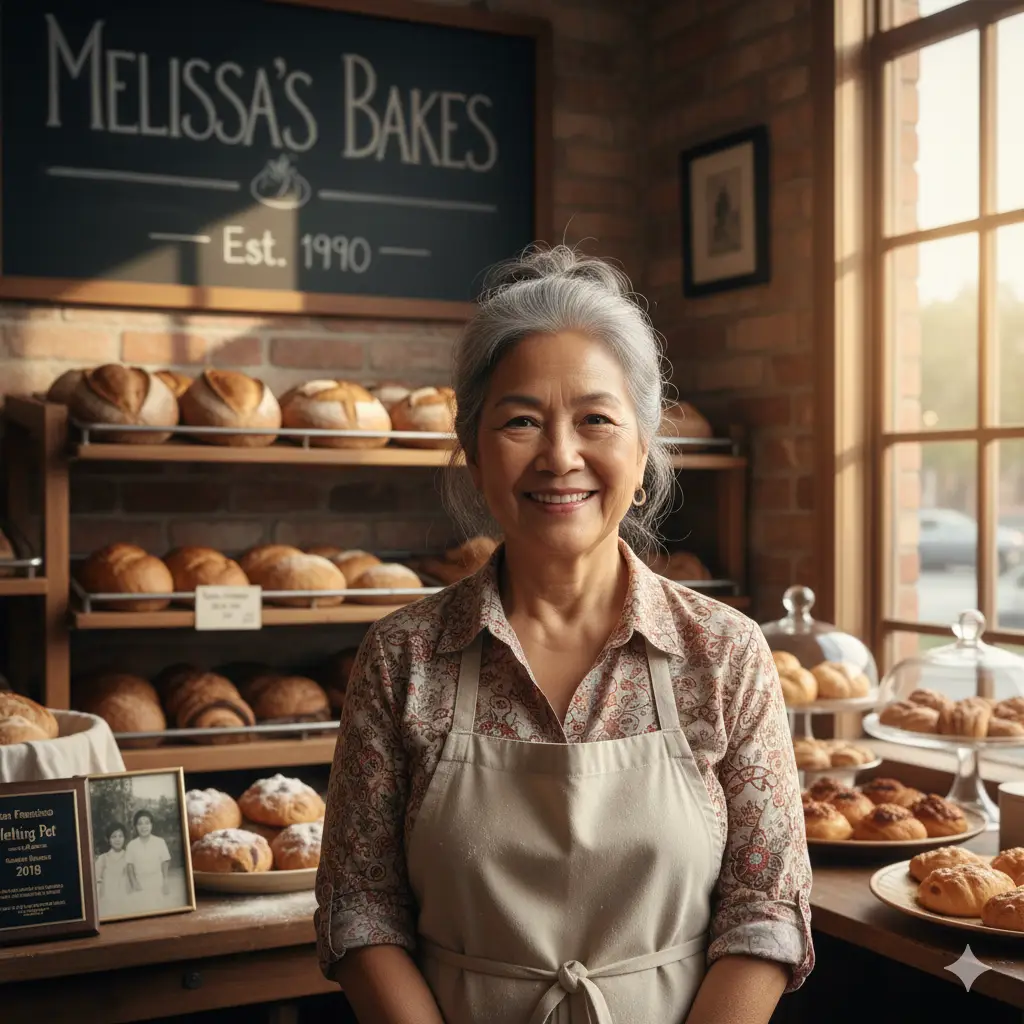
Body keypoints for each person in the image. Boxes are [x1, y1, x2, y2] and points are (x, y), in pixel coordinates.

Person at [315, 246, 813, 1024]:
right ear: (475, 455)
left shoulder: (725, 654)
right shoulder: (403, 656)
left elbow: (765, 912)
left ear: (642, 451)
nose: (559, 456)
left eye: (596, 420)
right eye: (520, 420)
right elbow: (359, 908)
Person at [125, 809, 170, 902]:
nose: (143, 826)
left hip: (157, 883)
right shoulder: (131, 845)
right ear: (135, 827)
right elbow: (130, 866)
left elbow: (165, 862)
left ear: (151, 825)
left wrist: (165, 881)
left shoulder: (160, 842)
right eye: (140, 824)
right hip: (139, 883)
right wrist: (134, 883)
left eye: (147, 823)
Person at [94, 821, 130, 917]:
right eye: (114, 836)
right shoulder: (103, 859)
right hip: (107, 904)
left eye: (120, 836)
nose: (117, 839)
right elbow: (96, 882)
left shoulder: (129, 857)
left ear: (124, 838)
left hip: (126, 902)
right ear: (108, 839)